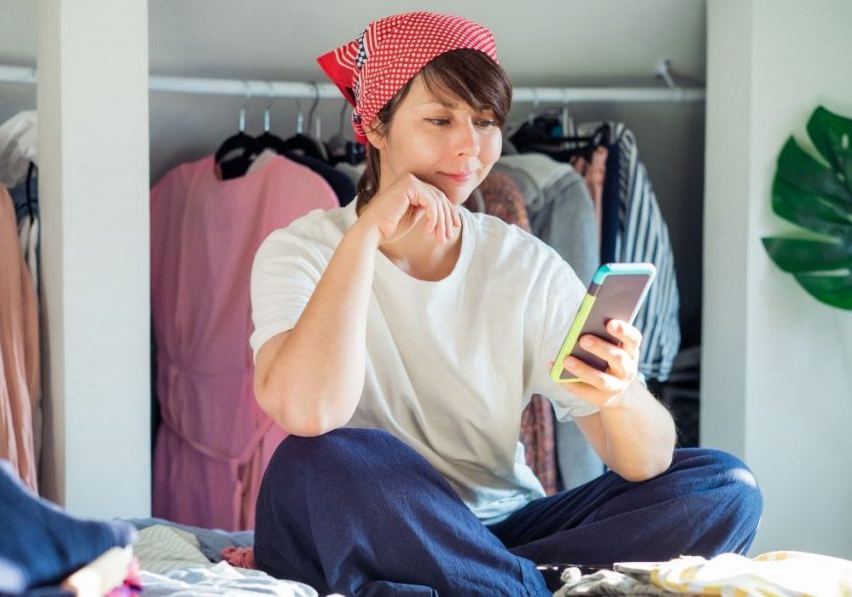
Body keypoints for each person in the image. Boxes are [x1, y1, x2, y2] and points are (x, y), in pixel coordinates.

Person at [247, 12, 762, 596]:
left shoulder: (524, 264)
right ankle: (516, 581)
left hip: (501, 527)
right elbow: (308, 413)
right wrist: (364, 238)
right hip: (367, 514)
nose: (470, 146)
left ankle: (492, 579)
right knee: (318, 460)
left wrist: (617, 393)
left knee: (724, 485)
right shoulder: (300, 252)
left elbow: (643, 463)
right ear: (375, 125)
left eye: (485, 121)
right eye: (440, 119)